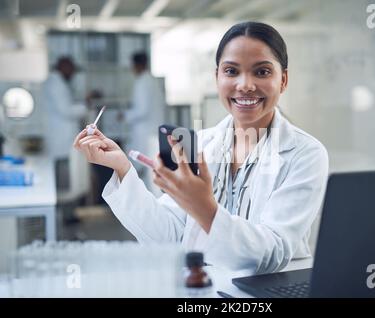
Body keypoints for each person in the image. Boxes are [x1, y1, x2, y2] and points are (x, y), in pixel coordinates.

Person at [74, 22, 329, 274]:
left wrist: (203, 207)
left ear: (283, 80)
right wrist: (122, 169)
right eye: (231, 71)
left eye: (261, 72)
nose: (245, 85)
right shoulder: (203, 144)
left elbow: (272, 252)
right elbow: (170, 235)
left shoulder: (305, 154)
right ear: (216, 77)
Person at [120, 52, 165, 190]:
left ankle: (146, 208)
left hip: (145, 134)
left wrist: (124, 115)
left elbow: (142, 110)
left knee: (145, 171)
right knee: (150, 171)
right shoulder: (151, 81)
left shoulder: (142, 82)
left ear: (137, 65)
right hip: (151, 132)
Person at [43, 56, 87, 191]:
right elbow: (66, 110)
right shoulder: (56, 84)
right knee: (63, 180)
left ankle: (63, 205)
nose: (72, 73)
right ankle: (62, 207)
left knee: (66, 175)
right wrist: (86, 106)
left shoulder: (58, 82)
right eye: (71, 69)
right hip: (60, 138)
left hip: (62, 136)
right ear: (63, 67)